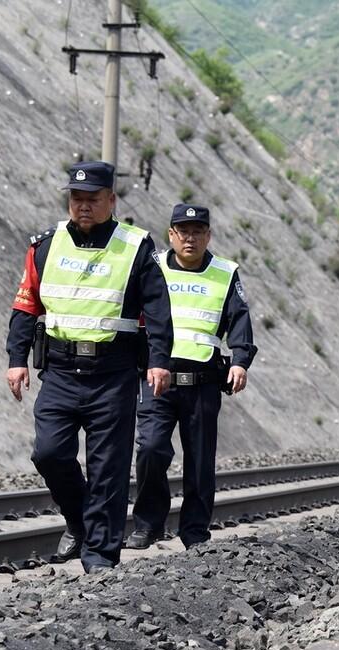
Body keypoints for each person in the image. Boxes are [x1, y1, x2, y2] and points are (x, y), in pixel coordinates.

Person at [5, 161, 173, 573]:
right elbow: (27, 305)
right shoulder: (46, 246)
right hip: (60, 372)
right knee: (49, 453)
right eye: (76, 198)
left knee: (107, 470)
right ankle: (79, 520)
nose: (83, 206)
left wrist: (159, 361)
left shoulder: (136, 247)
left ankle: (99, 560)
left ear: (111, 200)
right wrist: (16, 359)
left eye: (92, 199)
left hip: (113, 374)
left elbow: (158, 309)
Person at [127, 204, 257, 550]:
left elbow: (240, 321)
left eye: (198, 232)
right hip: (157, 379)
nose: (190, 238)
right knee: (151, 449)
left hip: (203, 383)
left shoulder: (225, 273)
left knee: (199, 461)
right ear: (171, 234)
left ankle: (195, 532)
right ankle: (148, 524)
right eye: (183, 231)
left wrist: (240, 361)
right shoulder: (152, 266)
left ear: (208, 236)